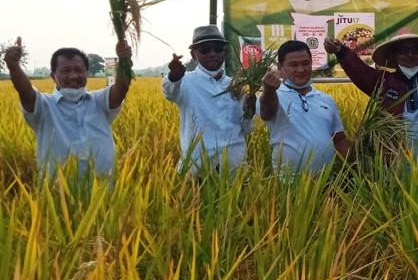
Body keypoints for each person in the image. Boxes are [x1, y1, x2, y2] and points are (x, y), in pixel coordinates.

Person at [4, 36, 132, 176]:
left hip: (104, 191)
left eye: (79, 70)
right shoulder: (44, 105)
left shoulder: (99, 101)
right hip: (57, 192)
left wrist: (124, 61)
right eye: (65, 71)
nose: (73, 76)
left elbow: (120, 90)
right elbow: (25, 91)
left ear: (86, 74)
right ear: (54, 76)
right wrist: (14, 66)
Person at [325, 28, 418, 160]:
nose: (410, 54)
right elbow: (360, 72)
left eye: (415, 50)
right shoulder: (385, 82)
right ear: (395, 54)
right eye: (403, 50)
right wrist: (341, 52)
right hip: (396, 155)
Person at [162, 25, 256, 173]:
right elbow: (169, 92)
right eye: (205, 50)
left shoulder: (236, 85)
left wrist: (249, 111)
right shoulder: (186, 82)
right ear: (194, 55)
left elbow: (247, 128)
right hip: (199, 167)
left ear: (224, 52)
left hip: (234, 166)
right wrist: (173, 76)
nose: (212, 54)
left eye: (218, 48)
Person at [258, 40, 351, 174]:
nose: (301, 69)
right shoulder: (271, 95)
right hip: (288, 184)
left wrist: (359, 159)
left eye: (306, 63)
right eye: (293, 65)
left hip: (328, 180)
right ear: (279, 67)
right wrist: (269, 90)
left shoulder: (326, 99)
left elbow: (339, 138)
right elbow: (267, 112)